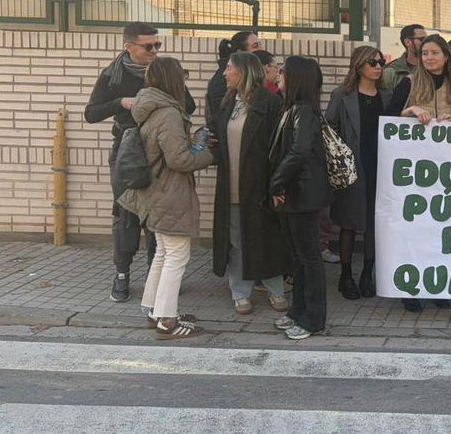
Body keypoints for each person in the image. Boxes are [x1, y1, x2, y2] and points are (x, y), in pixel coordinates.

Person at [85, 22, 196, 303]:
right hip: (127, 151)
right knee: (126, 213)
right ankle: (122, 274)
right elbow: (91, 113)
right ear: (129, 47)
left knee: (155, 215)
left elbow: (189, 105)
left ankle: (154, 275)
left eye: (158, 45)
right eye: (149, 46)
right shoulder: (113, 76)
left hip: (158, 154)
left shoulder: (159, 71)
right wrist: (120, 102)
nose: (155, 51)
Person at [116, 56, 214, 340]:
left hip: (154, 191)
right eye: (182, 76)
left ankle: (154, 310)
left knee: (162, 252)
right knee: (176, 256)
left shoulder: (151, 107)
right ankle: (167, 323)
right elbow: (179, 159)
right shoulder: (168, 113)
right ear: (171, 79)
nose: (185, 82)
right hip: (170, 192)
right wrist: (207, 154)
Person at [386, 34, 451, 311]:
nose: (429, 58)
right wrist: (411, 109)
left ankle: (438, 285)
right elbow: (387, 119)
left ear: (446, 57)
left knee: (441, 231)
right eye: (425, 54)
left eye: (434, 53)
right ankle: (410, 289)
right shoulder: (409, 84)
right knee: (415, 231)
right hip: (415, 173)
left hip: (446, 172)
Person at [211, 51, 289, 316]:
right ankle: (240, 292)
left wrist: (277, 186)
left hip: (261, 186)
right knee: (236, 242)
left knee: (267, 238)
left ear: (243, 71)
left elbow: (280, 148)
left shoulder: (270, 103)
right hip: (231, 185)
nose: (224, 73)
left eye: (229, 68)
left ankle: (275, 289)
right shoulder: (228, 102)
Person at [269, 56, 333, 341]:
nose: (278, 75)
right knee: (297, 257)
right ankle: (298, 311)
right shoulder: (293, 109)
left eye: (283, 71)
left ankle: (313, 319)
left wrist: (276, 182)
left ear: (296, 78)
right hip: (294, 193)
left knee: (309, 258)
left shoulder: (304, 112)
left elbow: (299, 151)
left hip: (304, 194)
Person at [326, 45, 385, 301]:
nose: (378, 66)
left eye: (381, 62)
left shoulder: (388, 95)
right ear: (359, 65)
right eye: (373, 62)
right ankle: (346, 275)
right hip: (352, 168)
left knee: (375, 223)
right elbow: (329, 129)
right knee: (349, 224)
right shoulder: (342, 95)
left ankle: (368, 273)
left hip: (381, 167)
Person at [205, 31, 261, 133]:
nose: (260, 50)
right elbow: (219, 121)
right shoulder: (223, 82)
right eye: (255, 46)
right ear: (241, 52)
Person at [383, 23, 426, 93]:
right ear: (408, 42)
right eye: (422, 39)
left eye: (427, 39)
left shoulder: (432, 67)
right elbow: (387, 100)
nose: (426, 42)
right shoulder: (392, 71)